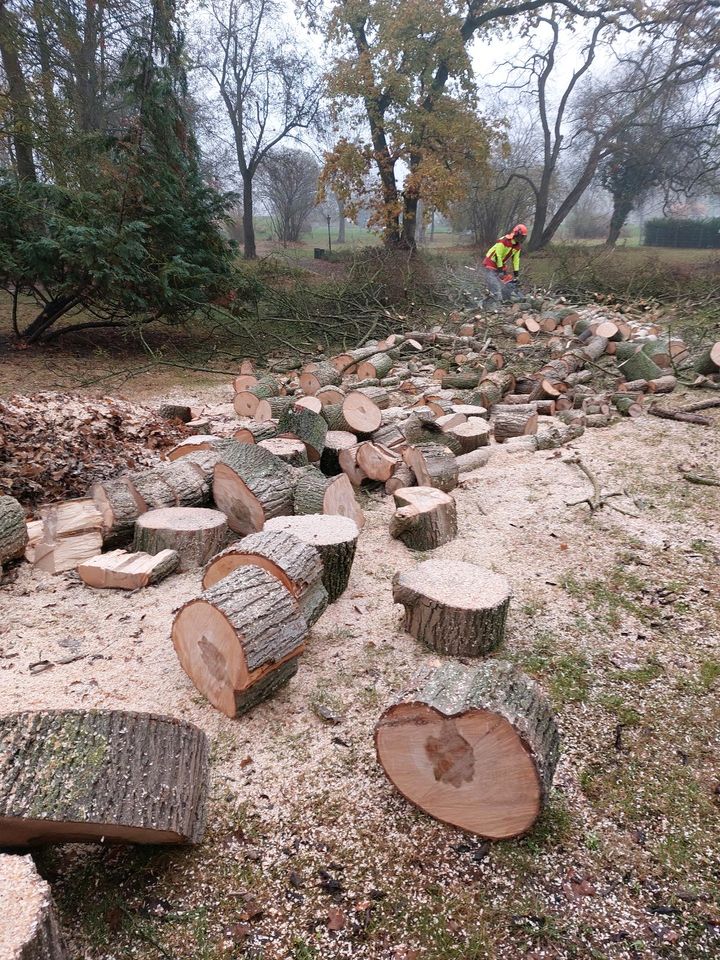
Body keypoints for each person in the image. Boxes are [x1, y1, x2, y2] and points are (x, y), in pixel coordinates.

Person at [483, 224, 528, 303]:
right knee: (494, 284)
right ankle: (495, 300)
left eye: (523, 237)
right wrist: (500, 270)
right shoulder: (504, 241)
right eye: (521, 237)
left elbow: (516, 260)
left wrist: (516, 275)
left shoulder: (517, 246)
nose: (522, 239)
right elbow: (498, 255)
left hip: (501, 265)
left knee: (508, 281)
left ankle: (511, 297)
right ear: (516, 234)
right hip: (491, 263)